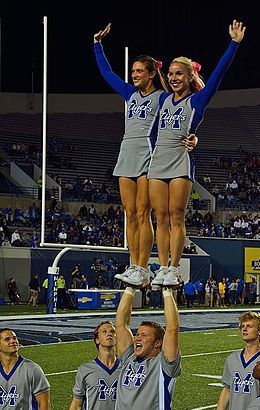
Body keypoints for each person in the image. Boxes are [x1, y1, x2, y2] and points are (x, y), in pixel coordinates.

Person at [94, 23, 197, 288]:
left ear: (152, 73)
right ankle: (134, 265)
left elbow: (185, 114)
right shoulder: (129, 94)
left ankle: (143, 265)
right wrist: (98, 46)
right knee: (130, 213)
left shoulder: (164, 97)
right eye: (133, 71)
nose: (134, 75)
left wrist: (194, 135)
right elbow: (107, 73)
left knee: (144, 212)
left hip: (149, 155)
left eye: (140, 71)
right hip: (126, 151)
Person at [149, 20, 246, 288]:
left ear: (189, 77)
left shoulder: (197, 101)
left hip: (180, 161)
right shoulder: (163, 99)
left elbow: (218, 74)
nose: (173, 77)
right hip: (158, 161)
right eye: (170, 73)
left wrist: (234, 43)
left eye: (179, 73)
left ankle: (174, 268)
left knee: (176, 215)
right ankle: (161, 264)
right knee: (160, 218)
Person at [111, 284, 181, 410]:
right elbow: (120, 323)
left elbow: (172, 329)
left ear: (158, 344)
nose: (137, 338)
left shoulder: (164, 364)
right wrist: (130, 289)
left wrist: (167, 291)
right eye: (137, 334)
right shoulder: (128, 359)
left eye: (144, 335)